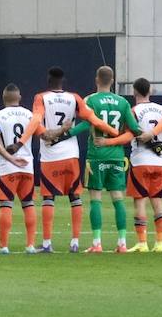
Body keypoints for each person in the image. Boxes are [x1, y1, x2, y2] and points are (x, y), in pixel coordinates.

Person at [22, 68, 113, 253]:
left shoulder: (41, 98)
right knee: (75, 197)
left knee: (48, 197)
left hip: (50, 155)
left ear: (48, 80)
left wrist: (32, 137)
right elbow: (92, 119)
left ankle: (47, 243)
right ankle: (75, 242)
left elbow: (36, 120)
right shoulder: (75, 98)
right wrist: (113, 132)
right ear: (63, 81)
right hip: (71, 154)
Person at [60, 66, 145, 253]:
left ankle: (97, 243)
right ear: (113, 80)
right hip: (117, 156)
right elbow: (133, 128)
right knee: (118, 199)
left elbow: (86, 123)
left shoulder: (90, 100)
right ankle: (122, 243)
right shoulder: (122, 102)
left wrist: (66, 134)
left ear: (96, 79)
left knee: (95, 199)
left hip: (96, 155)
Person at [115, 78, 162, 252]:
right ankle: (160, 243)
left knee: (139, 202)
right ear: (151, 91)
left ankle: (142, 243)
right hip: (159, 161)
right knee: (158, 202)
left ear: (134, 92)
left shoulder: (134, 110)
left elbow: (128, 133)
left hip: (140, 160)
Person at [0, 83, 38, 255]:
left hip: (8, 167)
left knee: (6, 204)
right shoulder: (30, 115)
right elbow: (42, 135)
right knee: (28, 204)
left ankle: (3, 246)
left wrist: (10, 158)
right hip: (27, 165)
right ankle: (30, 245)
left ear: (3, 98)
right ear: (19, 97)